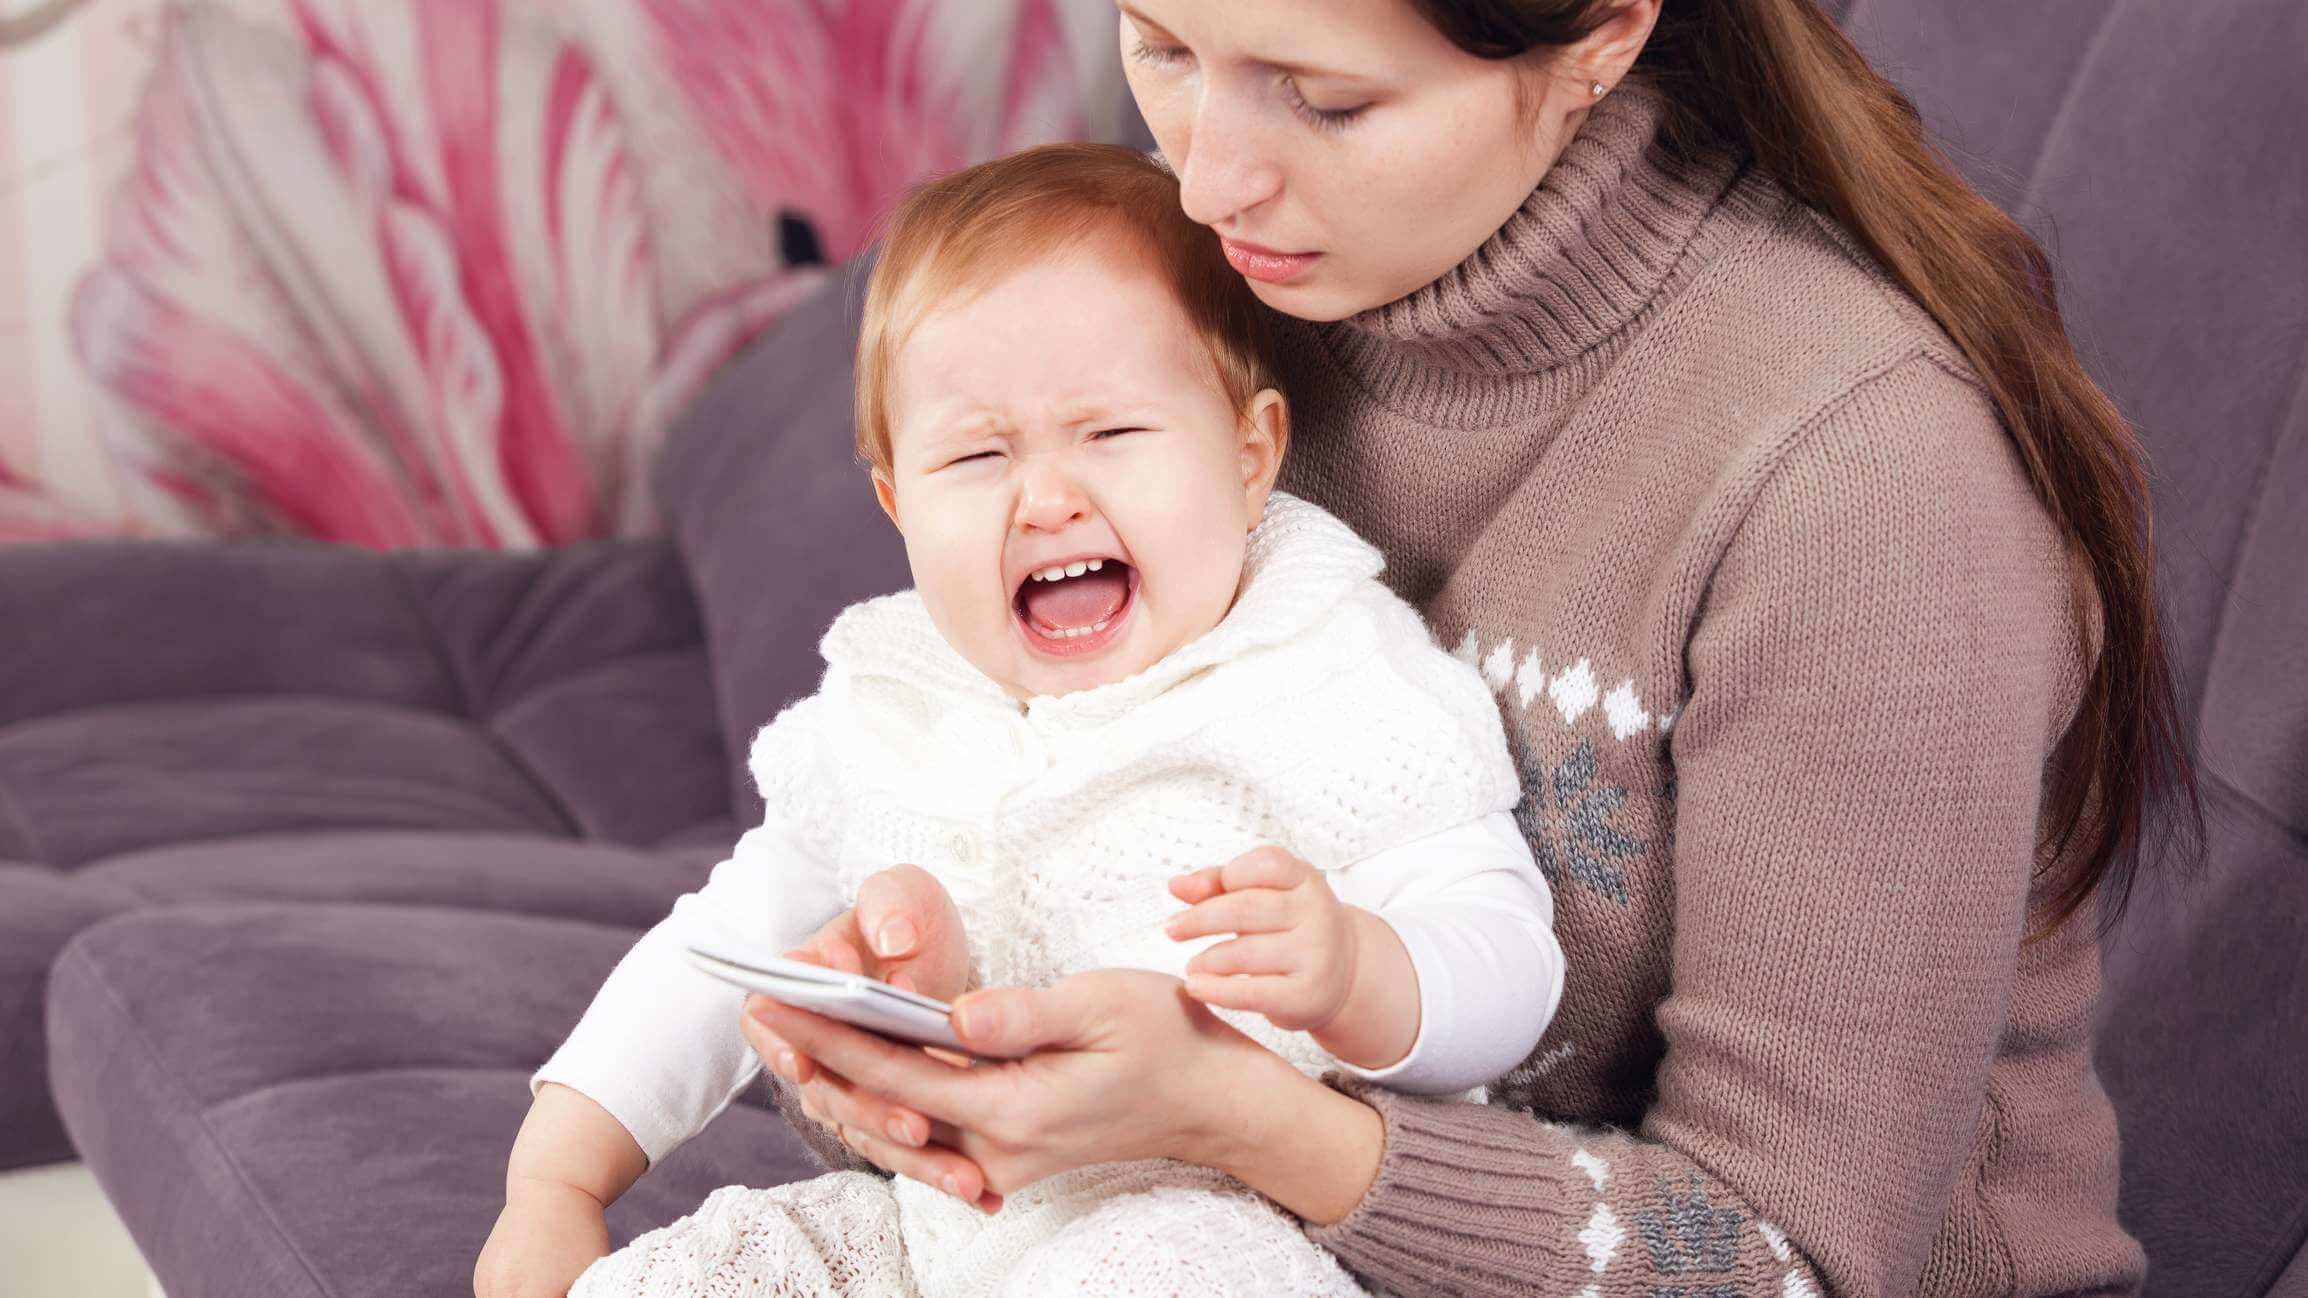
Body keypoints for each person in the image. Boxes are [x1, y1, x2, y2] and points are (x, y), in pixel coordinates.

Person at [734, 2, 2203, 1297]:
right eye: (1164, 47)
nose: (1205, 176)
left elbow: (1774, 1264)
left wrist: (1238, 1118)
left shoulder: (1860, 477)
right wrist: (904, 1054)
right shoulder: (1206, 311)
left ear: (1604, 35)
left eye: (1327, 99)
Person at [476, 144, 1563, 1297]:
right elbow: (717, 948)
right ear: (898, 500)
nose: (1047, 497)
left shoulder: (1328, 666)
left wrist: (1364, 971)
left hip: (1230, 1213)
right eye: (978, 454)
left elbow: (1508, 958)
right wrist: (554, 1184)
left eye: (1110, 434)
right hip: (945, 1221)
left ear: (1250, 457)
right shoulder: (897, 699)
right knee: (724, 1269)